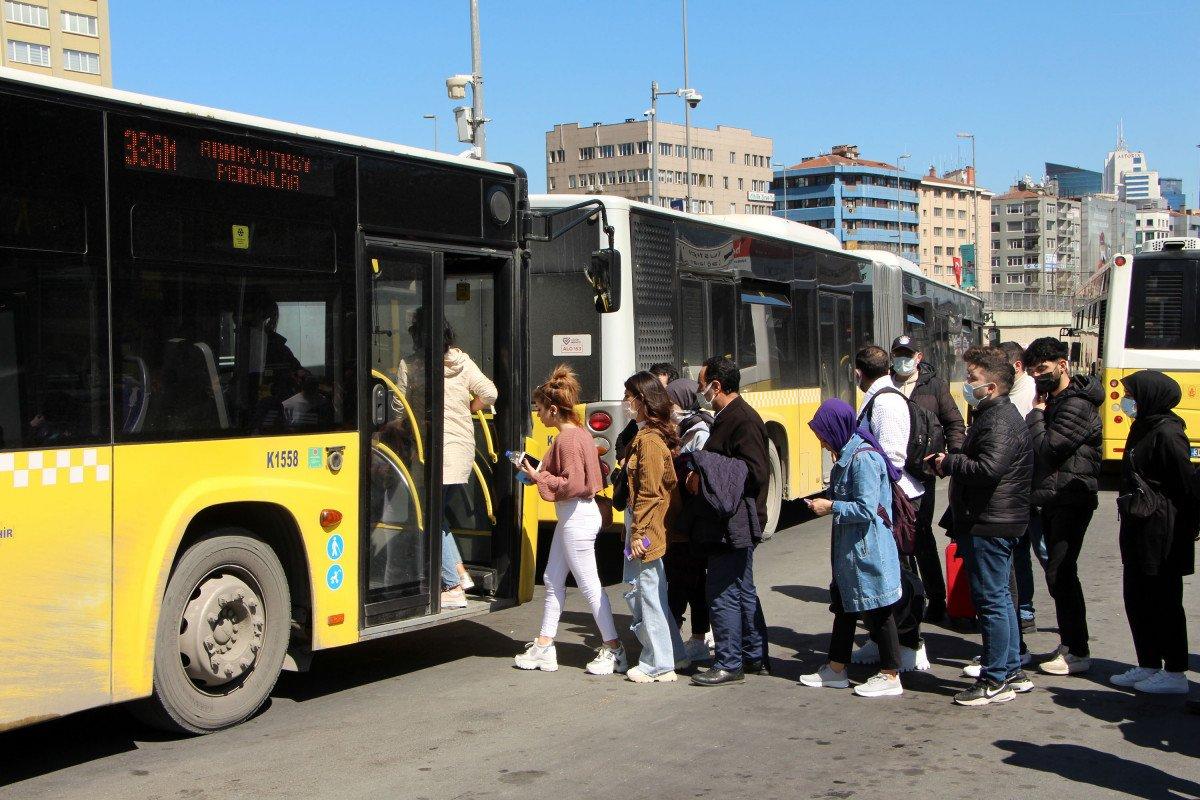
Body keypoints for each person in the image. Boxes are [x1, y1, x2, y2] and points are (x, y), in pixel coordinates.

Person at [929, 346, 1034, 706]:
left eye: (972, 378)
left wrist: (950, 462)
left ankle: (994, 679)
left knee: (991, 601)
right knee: (1000, 598)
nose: (966, 384)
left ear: (991, 387)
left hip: (991, 522)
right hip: (993, 520)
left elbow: (988, 469)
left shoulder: (999, 419)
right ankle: (1009, 670)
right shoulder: (993, 415)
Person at [513, 365, 626, 675]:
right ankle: (545, 645)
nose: (536, 414)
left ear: (553, 409)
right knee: (553, 580)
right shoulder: (578, 435)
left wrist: (537, 476)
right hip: (575, 516)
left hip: (575, 516)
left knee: (588, 586)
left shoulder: (566, 439)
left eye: (538, 408)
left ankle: (614, 648)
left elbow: (572, 483)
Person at [799, 399, 905, 698]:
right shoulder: (848, 454)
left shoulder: (863, 459)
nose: (821, 442)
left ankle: (890, 674)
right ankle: (835, 669)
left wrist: (830, 506)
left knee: (880, 608)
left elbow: (866, 508)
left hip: (867, 548)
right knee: (845, 605)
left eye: (823, 434)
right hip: (852, 550)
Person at [397, 313, 496, 610]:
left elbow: (397, 408)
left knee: (428, 516)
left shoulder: (411, 365)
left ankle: (452, 585)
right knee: (436, 516)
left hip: (432, 452)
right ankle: (460, 573)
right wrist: (468, 405)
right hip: (462, 450)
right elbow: (490, 393)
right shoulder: (462, 362)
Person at [1111, 371, 1198, 695]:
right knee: (1137, 596)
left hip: (1161, 529)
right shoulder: (1143, 426)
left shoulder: (1169, 432)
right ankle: (1148, 662)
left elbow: (1186, 485)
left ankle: (1175, 671)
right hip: (1138, 525)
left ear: (1150, 396)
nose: (1126, 400)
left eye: (1132, 393)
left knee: (1164, 600)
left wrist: (1187, 524)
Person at [687, 356, 771, 686]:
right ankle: (754, 656)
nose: (700, 391)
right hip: (733, 519)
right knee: (741, 588)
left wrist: (704, 473)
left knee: (722, 591)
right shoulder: (728, 417)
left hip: (732, 521)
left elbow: (754, 472)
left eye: (702, 385)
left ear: (717, 386)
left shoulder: (743, 420)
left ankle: (728, 661)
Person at [1023, 336, 1103, 676]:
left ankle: (1078, 650)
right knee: (1059, 572)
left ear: (1062, 365)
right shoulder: (1056, 400)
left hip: (1072, 497)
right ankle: (1071, 643)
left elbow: (1051, 449)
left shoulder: (1075, 404)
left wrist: (1036, 416)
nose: (1038, 376)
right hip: (1054, 497)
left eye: (1043, 369)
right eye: (1032, 371)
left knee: (1061, 571)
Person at [889, 335, 965, 621]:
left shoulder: (934, 386)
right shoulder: (886, 385)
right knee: (897, 538)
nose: (902, 359)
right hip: (894, 473)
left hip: (923, 474)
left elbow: (954, 423)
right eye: (898, 354)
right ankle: (907, 597)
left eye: (907, 354)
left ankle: (935, 597)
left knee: (920, 536)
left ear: (919, 357)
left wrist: (950, 458)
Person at [620, 371, 689, 682]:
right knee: (653, 592)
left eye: (628, 396)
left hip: (647, 532)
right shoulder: (652, 436)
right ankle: (673, 653)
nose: (625, 402)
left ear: (641, 400)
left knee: (646, 594)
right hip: (653, 530)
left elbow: (649, 492)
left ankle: (657, 662)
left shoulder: (648, 440)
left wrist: (639, 534)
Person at [664, 378, 714, 661]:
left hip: (692, 519)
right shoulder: (683, 428)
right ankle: (696, 636)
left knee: (684, 580)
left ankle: (684, 638)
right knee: (692, 582)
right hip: (684, 520)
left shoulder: (700, 431)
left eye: (671, 402)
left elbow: (699, 473)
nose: (668, 408)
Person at [998, 341, 1044, 634]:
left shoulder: (1027, 393)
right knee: (1020, 554)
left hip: (1029, 489)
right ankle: (1023, 610)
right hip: (1019, 489)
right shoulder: (1014, 391)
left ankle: (1025, 611)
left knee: (1043, 554)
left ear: (1016, 367)